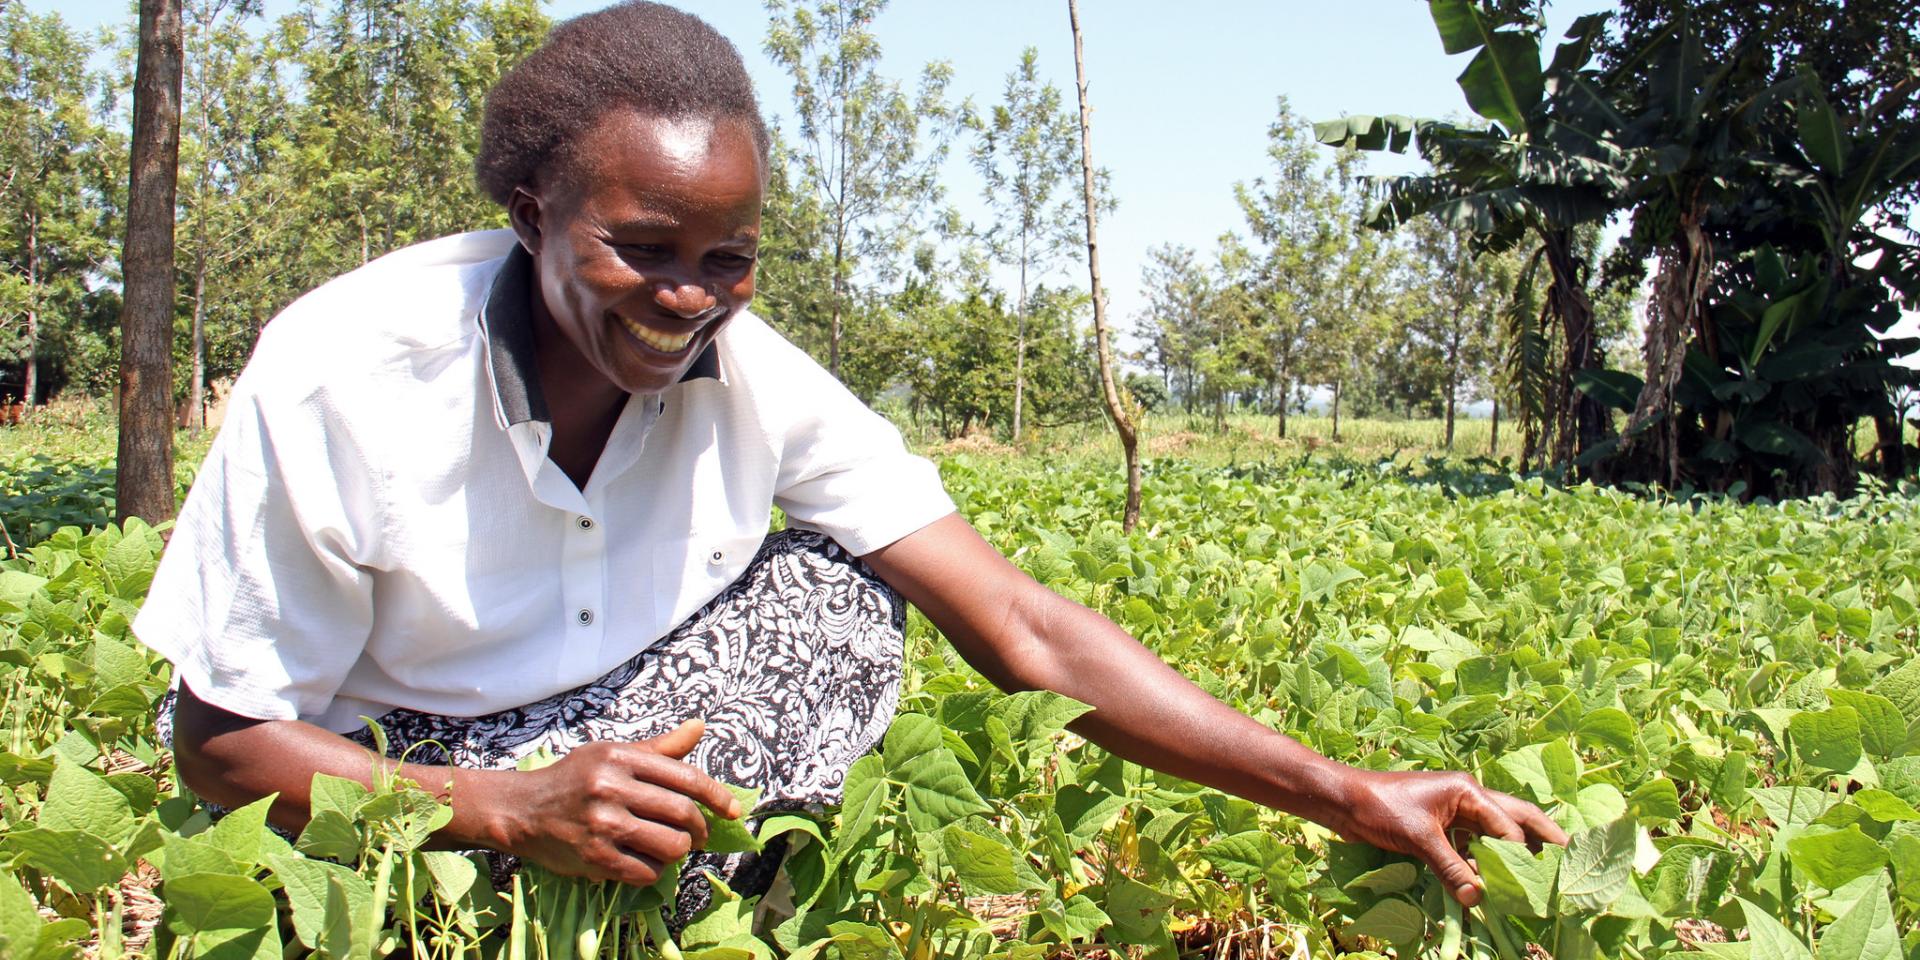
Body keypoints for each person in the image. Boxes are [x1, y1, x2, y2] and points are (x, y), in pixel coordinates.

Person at [138, 0, 1564, 923]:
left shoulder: (752, 377)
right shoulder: (347, 373)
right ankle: (504, 908)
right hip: (402, 791)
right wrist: (505, 806)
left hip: (626, 763)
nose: (687, 299)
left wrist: (1338, 786)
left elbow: (1026, 629)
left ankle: (668, 913)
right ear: (529, 206)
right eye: (639, 249)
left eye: (727, 259)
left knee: (839, 587)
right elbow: (218, 740)